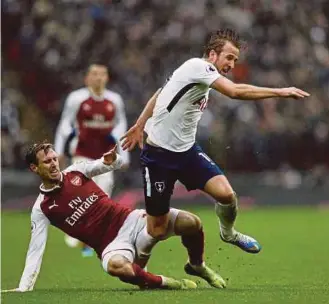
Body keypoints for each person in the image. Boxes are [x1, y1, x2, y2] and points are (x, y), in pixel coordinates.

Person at [121, 28, 310, 253]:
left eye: (235, 60)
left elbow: (160, 93)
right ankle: (132, 251)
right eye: (229, 57)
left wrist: (141, 123)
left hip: (187, 152)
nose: (232, 64)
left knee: (227, 196)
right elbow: (235, 92)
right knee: (157, 230)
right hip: (159, 155)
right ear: (212, 55)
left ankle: (228, 233)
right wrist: (280, 92)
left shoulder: (195, 73)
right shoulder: (200, 67)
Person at [1, 142, 225, 293]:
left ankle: (197, 265)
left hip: (132, 220)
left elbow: (110, 164)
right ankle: (167, 283)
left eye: (54, 158)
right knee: (117, 268)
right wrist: (24, 289)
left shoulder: (76, 171)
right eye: (47, 161)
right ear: (34, 168)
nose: (53, 164)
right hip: (111, 245)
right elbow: (35, 250)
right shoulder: (42, 208)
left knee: (192, 223)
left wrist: (113, 160)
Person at [54, 64, 130, 256]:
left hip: (106, 159)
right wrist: (59, 151)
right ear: (87, 78)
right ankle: (79, 233)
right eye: (94, 74)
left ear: (107, 78)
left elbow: (121, 125)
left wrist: (124, 154)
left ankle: (91, 240)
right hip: (82, 156)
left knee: (103, 197)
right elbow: (65, 123)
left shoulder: (115, 100)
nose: (98, 78)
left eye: (102, 74)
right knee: (81, 197)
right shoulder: (77, 99)